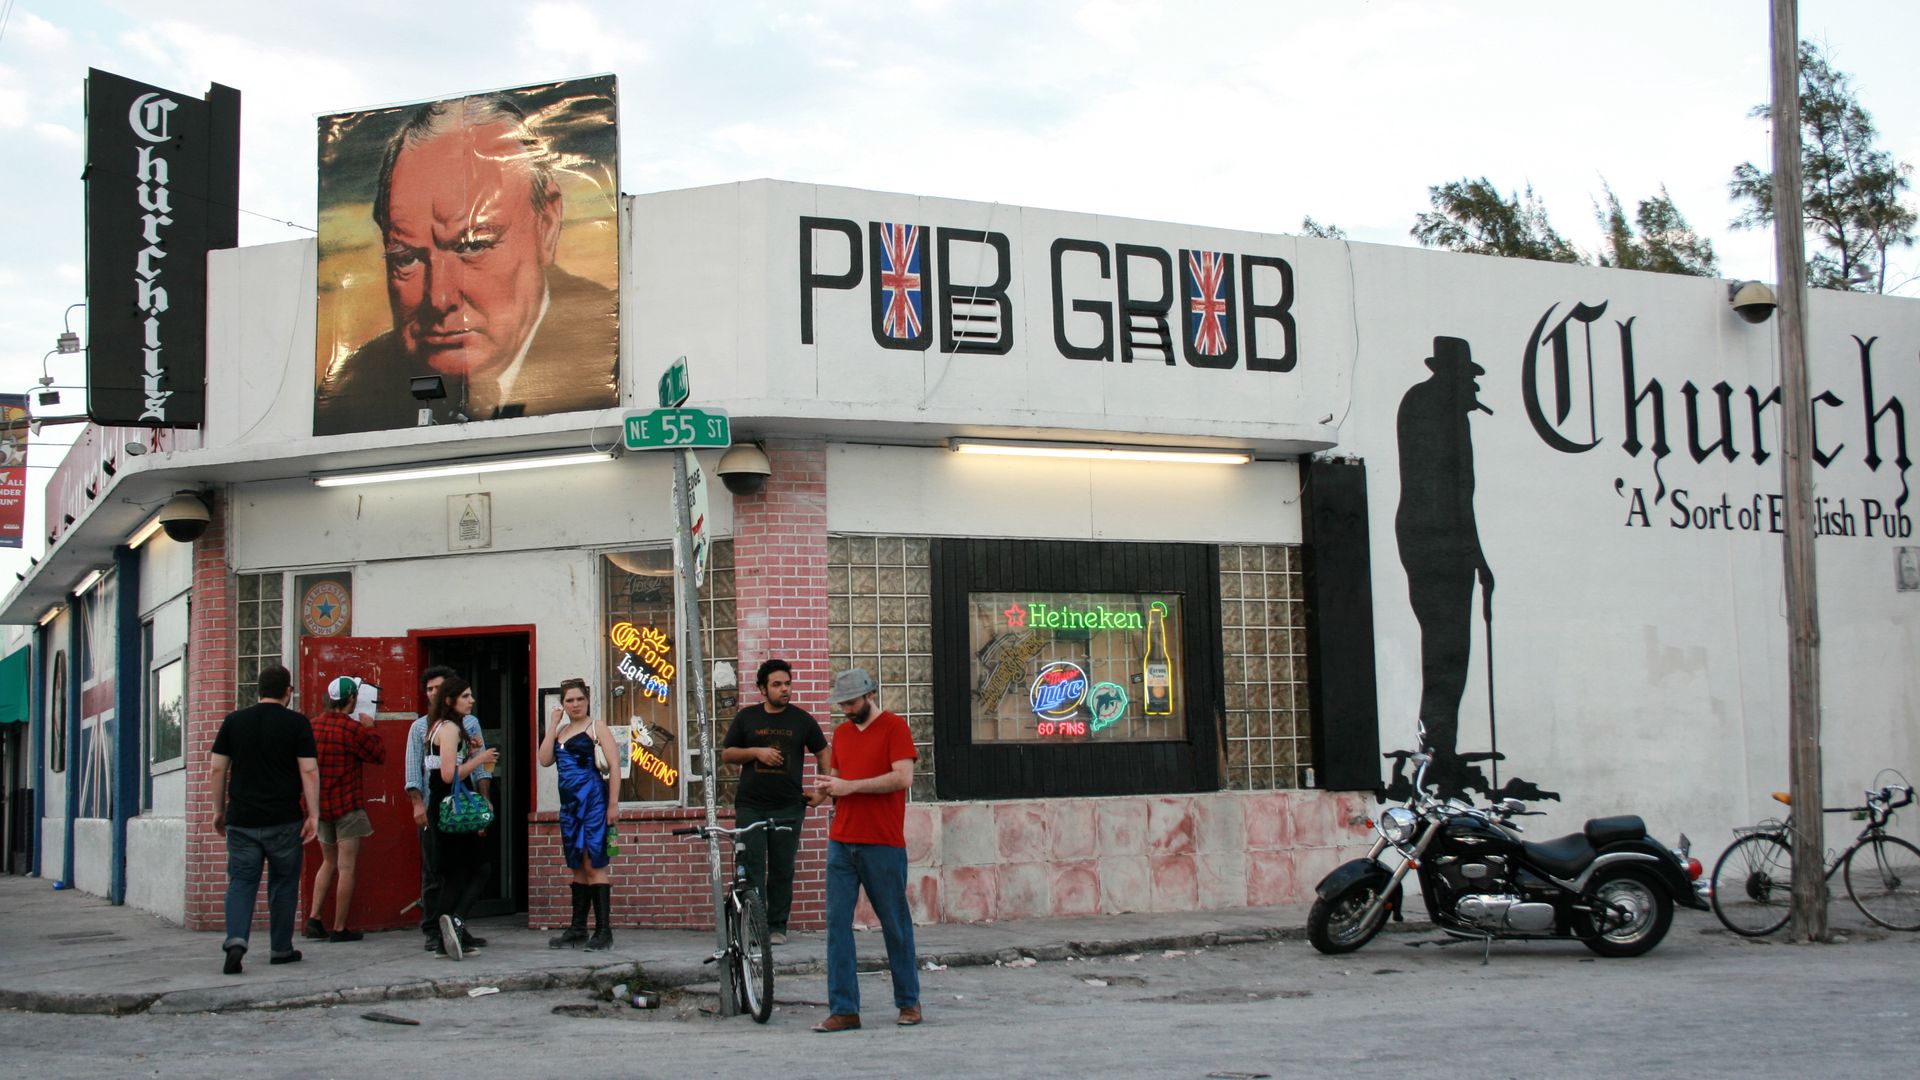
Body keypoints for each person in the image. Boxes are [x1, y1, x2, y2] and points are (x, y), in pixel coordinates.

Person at [313, 92, 617, 435]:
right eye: (407, 258)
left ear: (545, 225)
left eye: (473, 247)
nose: (440, 298)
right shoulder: (349, 391)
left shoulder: (614, 355)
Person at [1394, 335, 1495, 793]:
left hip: (1430, 540)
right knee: (1449, 649)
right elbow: (1454, 493)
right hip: (1439, 542)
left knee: (1444, 649)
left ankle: (1437, 744)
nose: (1473, 390)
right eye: (1468, 380)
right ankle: (1438, 750)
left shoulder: (1428, 405)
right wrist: (1473, 555)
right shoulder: (1439, 411)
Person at [811, 668, 921, 1032]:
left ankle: (909, 1002)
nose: (845, 709)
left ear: (871, 694)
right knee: (836, 926)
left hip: (882, 842)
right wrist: (819, 793)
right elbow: (838, 780)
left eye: (851, 701)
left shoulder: (895, 727)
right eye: (841, 703)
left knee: (895, 924)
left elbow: (902, 777)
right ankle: (844, 1009)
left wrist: (850, 787)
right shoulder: (841, 733)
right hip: (841, 840)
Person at [207, 663, 318, 975]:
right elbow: (309, 770)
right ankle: (281, 948)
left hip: (241, 820)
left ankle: (236, 940)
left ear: (258, 691)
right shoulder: (297, 724)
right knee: (283, 883)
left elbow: (217, 768)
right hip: (284, 819)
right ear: (288, 691)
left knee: (241, 881)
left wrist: (219, 810)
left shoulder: (234, 721)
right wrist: (314, 813)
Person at [720, 658, 828, 945]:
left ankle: (777, 926)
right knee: (752, 866)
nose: (784, 689)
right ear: (762, 689)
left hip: (789, 806)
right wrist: (756, 751)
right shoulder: (747, 718)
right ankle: (755, 926)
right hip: (750, 804)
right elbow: (728, 754)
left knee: (782, 867)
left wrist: (822, 791)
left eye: (787, 684)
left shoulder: (802, 720)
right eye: (777, 684)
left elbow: (824, 754)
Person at [406, 665, 492, 949]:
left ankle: (449, 930)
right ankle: (448, 925)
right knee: (470, 870)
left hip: (446, 806)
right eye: (465, 696)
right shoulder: (448, 727)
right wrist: (480, 758)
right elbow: (446, 774)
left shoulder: (438, 727)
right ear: (450, 700)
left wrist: (470, 751)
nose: (471, 700)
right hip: (448, 807)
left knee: (454, 873)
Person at [538, 677, 620, 950]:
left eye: (579, 699)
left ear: (587, 700)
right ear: (562, 704)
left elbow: (615, 768)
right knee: (576, 864)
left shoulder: (597, 728)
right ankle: (577, 928)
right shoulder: (560, 732)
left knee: (594, 863)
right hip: (569, 806)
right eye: (569, 700)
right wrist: (552, 725)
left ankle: (604, 931)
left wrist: (613, 805)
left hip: (594, 801)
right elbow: (544, 759)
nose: (575, 705)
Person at [303, 676, 387, 943]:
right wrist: (371, 727)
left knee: (328, 862)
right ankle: (339, 928)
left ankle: (314, 919)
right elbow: (377, 754)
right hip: (347, 805)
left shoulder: (312, 727)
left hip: (320, 806)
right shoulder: (352, 729)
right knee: (346, 867)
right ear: (351, 700)